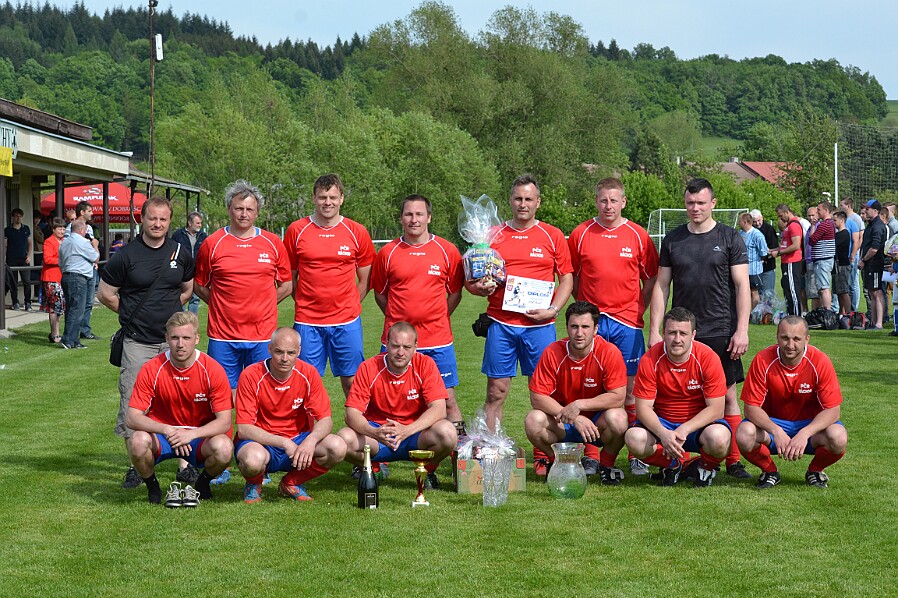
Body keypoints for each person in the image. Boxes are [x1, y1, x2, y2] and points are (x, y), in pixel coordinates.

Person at [649, 178, 751, 480]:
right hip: (680, 331)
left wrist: (742, 329)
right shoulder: (673, 239)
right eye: (690, 203)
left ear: (713, 204)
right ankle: (675, 457)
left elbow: (742, 285)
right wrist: (655, 329)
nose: (695, 208)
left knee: (728, 397)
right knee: (673, 395)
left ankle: (732, 461)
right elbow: (661, 286)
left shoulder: (730, 237)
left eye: (701, 203)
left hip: (720, 328)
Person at [99, 196, 196, 489]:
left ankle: (185, 465)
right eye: (152, 218)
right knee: (133, 403)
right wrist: (131, 314)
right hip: (137, 343)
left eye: (163, 219)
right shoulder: (125, 255)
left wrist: (168, 320)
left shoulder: (181, 252)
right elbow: (106, 293)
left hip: (173, 344)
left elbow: (187, 290)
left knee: (182, 403)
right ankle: (137, 465)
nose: (157, 224)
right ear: (141, 219)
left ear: (170, 221)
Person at [466, 173, 573, 437]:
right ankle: (493, 450)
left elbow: (567, 279)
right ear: (510, 201)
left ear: (538, 202)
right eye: (518, 198)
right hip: (501, 324)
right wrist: (478, 288)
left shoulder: (552, 235)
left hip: (540, 326)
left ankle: (546, 454)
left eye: (528, 199)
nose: (522, 204)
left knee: (546, 393)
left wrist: (554, 310)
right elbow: (471, 280)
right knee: (496, 392)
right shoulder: (492, 235)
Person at [567, 177, 658, 476]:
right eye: (603, 200)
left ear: (623, 202)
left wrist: (635, 307)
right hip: (593, 323)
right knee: (590, 386)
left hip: (627, 323)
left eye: (614, 200)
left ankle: (636, 452)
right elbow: (573, 278)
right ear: (596, 201)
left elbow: (652, 280)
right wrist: (587, 312)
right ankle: (592, 453)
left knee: (631, 391)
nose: (608, 206)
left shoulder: (638, 235)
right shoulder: (581, 233)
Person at [371, 194, 465, 429]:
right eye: (409, 214)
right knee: (386, 400)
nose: (414, 219)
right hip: (397, 342)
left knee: (447, 400)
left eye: (419, 214)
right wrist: (400, 324)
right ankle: (378, 458)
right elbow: (380, 294)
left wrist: (438, 316)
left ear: (429, 217)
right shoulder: (387, 253)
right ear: (401, 218)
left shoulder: (447, 250)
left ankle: (458, 458)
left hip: (438, 339)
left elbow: (455, 293)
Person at [125, 311, 233, 505]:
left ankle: (202, 484)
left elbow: (225, 421)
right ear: (167, 338)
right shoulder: (152, 368)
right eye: (174, 338)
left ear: (197, 339)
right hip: (163, 436)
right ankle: (153, 487)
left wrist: (192, 434)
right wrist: (168, 430)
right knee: (137, 441)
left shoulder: (212, 369)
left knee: (224, 448)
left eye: (186, 338)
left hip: (197, 438)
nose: (180, 344)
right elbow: (132, 417)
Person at [194, 180, 292, 390]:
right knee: (222, 395)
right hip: (223, 336)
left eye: (249, 209)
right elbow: (199, 284)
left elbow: (286, 285)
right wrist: (222, 305)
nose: (244, 214)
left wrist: (264, 305)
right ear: (229, 209)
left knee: (262, 392)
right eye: (239, 208)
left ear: (257, 213)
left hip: (262, 335)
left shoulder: (273, 243)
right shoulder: (213, 243)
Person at [284, 173, 375, 398]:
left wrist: (349, 304)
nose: (328, 202)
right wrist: (307, 303)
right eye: (323, 197)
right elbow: (289, 277)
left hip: (346, 321)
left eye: (333, 197)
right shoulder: (297, 230)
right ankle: (308, 433)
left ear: (342, 199)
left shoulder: (356, 231)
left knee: (353, 381)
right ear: (314, 198)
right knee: (304, 383)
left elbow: (366, 279)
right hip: (308, 322)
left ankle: (358, 432)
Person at [337, 322, 457, 489]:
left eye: (407, 347)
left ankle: (427, 472)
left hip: (415, 435)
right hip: (380, 435)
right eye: (395, 346)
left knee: (448, 433)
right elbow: (351, 414)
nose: (401, 352)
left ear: (416, 346)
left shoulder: (425, 364)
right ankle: (374, 468)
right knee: (344, 439)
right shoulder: (369, 367)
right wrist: (374, 432)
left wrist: (407, 430)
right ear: (386, 344)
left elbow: (439, 409)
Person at [235, 327, 346, 503]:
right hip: (263, 443)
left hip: (299, 441)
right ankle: (253, 483)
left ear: (299, 352)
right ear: (270, 349)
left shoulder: (308, 373)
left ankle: (291, 483)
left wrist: (311, 440)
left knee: (337, 446)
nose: (284, 358)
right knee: (252, 460)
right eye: (279, 352)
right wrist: (284, 442)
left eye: (291, 352)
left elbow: (325, 419)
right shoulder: (251, 375)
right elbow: (244, 429)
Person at [736, 316, 847, 489]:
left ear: (807, 340)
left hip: (810, 427)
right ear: (777, 336)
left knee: (838, 437)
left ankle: (815, 471)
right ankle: (770, 471)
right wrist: (776, 431)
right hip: (773, 425)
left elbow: (833, 411)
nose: (790, 345)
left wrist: (805, 433)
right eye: (785, 338)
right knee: (744, 434)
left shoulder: (820, 361)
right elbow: (751, 408)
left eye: (797, 339)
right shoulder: (763, 359)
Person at [525, 301, 629, 485]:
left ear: (596, 329)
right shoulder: (553, 352)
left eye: (585, 327)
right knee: (533, 420)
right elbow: (537, 396)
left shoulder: (609, 352)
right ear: (567, 328)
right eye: (574, 327)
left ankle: (606, 465)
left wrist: (579, 405)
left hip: (597, 425)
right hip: (563, 423)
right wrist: (574, 417)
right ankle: (557, 463)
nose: (579, 333)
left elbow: (618, 396)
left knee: (619, 418)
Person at [625, 307, 731, 487]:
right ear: (663, 333)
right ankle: (673, 465)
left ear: (693, 334)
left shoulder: (707, 358)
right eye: (672, 333)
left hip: (697, 427)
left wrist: (685, 429)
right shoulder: (650, 359)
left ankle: (703, 467)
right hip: (663, 424)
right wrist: (662, 433)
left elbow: (717, 409)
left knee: (719, 439)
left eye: (683, 333)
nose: (677, 339)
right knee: (634, 438)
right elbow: (642, 409)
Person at [58, 220, 97, 350]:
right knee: (78, 309)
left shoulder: (64, 242)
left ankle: (74, 340)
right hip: (79, 277)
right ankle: (68, 339)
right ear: (82, 230)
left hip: (66, 275)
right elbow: (95, 257)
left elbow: (60, 261)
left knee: (71, 309)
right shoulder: (83, 242)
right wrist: (95, 245)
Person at [66, 201, 101, 341]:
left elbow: (91, 248)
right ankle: (72, 335)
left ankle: (85, 329)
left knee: (88, 302)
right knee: (77, 304)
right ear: (82, 212)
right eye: (89, 211)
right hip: (79, 270)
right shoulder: (71, 228)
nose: (92, 213)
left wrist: (94, 260)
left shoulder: (90, 228)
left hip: (91, 267)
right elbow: (70, 247)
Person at [770, 204, 805, 317]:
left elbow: (795, 245)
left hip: (792, 262)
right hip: (787, 262)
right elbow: (786, 245)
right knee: (787, 290)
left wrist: (779, 253)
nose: (780, 218)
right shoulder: (788, 226)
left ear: (787, 212)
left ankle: (796, 316)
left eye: (781, 216)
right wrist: (772, 250)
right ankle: (791, 315)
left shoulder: (794, 225)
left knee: (793, 291)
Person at [859, 199, 887, 330]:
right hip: (869, 264)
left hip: (875, 264)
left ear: (875, 211)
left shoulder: (878, 226)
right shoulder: (870, 225)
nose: (865, 211)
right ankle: (874, 321)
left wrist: (863, 260)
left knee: (877, 292)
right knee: (872, 292)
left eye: (868, 209)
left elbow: (874, 249)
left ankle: (879, 323)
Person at [171, 211, 207, 314]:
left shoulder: (203, 236)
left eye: (200, 223)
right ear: (190, 223)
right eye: (197, 223)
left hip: (197, 271)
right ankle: (182, 319)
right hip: (182, 270)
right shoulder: (178, 235)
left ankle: (192, 320)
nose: (200, 225)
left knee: (195, 298)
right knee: (182, 295)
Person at [40, 218, 66, 344]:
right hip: (51, 278)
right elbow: (47, 259)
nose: (62, 231)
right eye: (60, 228)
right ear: (54, 229)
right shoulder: (48, 242)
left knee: (60, 307)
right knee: (54, 307)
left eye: (63, 228)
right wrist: (61, 260)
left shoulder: (64, 241)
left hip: (61, 278)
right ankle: (54, 334)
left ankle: (56, 333)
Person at [809, 201, 836, 311]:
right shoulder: (830, 223)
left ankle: (827, 311)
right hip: (824, 259)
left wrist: (813, 225)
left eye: (819, 210)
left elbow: (811, 240)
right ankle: (825, 310)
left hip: (823, 260)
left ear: (826, 210)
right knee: (822, 287)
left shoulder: (825, 224)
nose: (817, 212)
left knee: (824, 288)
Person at [738, 213, 768, 310]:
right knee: (743, 291)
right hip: (742, 269)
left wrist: (760, 261)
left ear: (745, 222)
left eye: (740, 221)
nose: (738, 223)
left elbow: (764, 252)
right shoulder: (741, 234)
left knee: (754, 293)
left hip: (754, 270)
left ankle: (749, 313)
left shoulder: (758, 235)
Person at [839, 197, 864, 312]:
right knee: (845, 284)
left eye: (842, 205)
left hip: (852, 255)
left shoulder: (856, 219)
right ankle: (844, 309)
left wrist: (853, 254)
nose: (840, 207)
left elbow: (859, 238)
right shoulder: (845, 219)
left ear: (848, 206)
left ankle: (853, 308)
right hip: (844, 256)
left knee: (853, 283)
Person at [4, 208, 32, 310]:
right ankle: (15, 302)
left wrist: (29, 255)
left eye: (20, 216)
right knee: (13, 282)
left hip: (23, 259)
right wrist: (4, 258)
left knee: (27, 281)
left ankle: (27, 302)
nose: (18, 218)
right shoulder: (7, 230)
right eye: (16, 216)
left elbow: (29, 243)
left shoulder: (26, 229)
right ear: (13, 217)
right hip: (11, 259)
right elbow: (5, 245)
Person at [750, 209, 779, 299]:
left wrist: (764, 257)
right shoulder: (751, 231)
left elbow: (774, 248)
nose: (757, 223)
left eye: (759, 220)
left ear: (762, 218)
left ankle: (768, 313)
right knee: (757, 294)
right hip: (755, 268)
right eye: (754, 222)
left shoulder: (769, 229)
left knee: (768, 293)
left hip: (767, 267)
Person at [832, 211, 852, 316]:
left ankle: (848, 314)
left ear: (842, 220)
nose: (833, 222)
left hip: (843, 265)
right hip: (837, 265)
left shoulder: (844, 234)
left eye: (835, 220)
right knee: (839, 291)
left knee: (844, 291)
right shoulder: (837, 234)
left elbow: (834, 246)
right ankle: (841, 312)